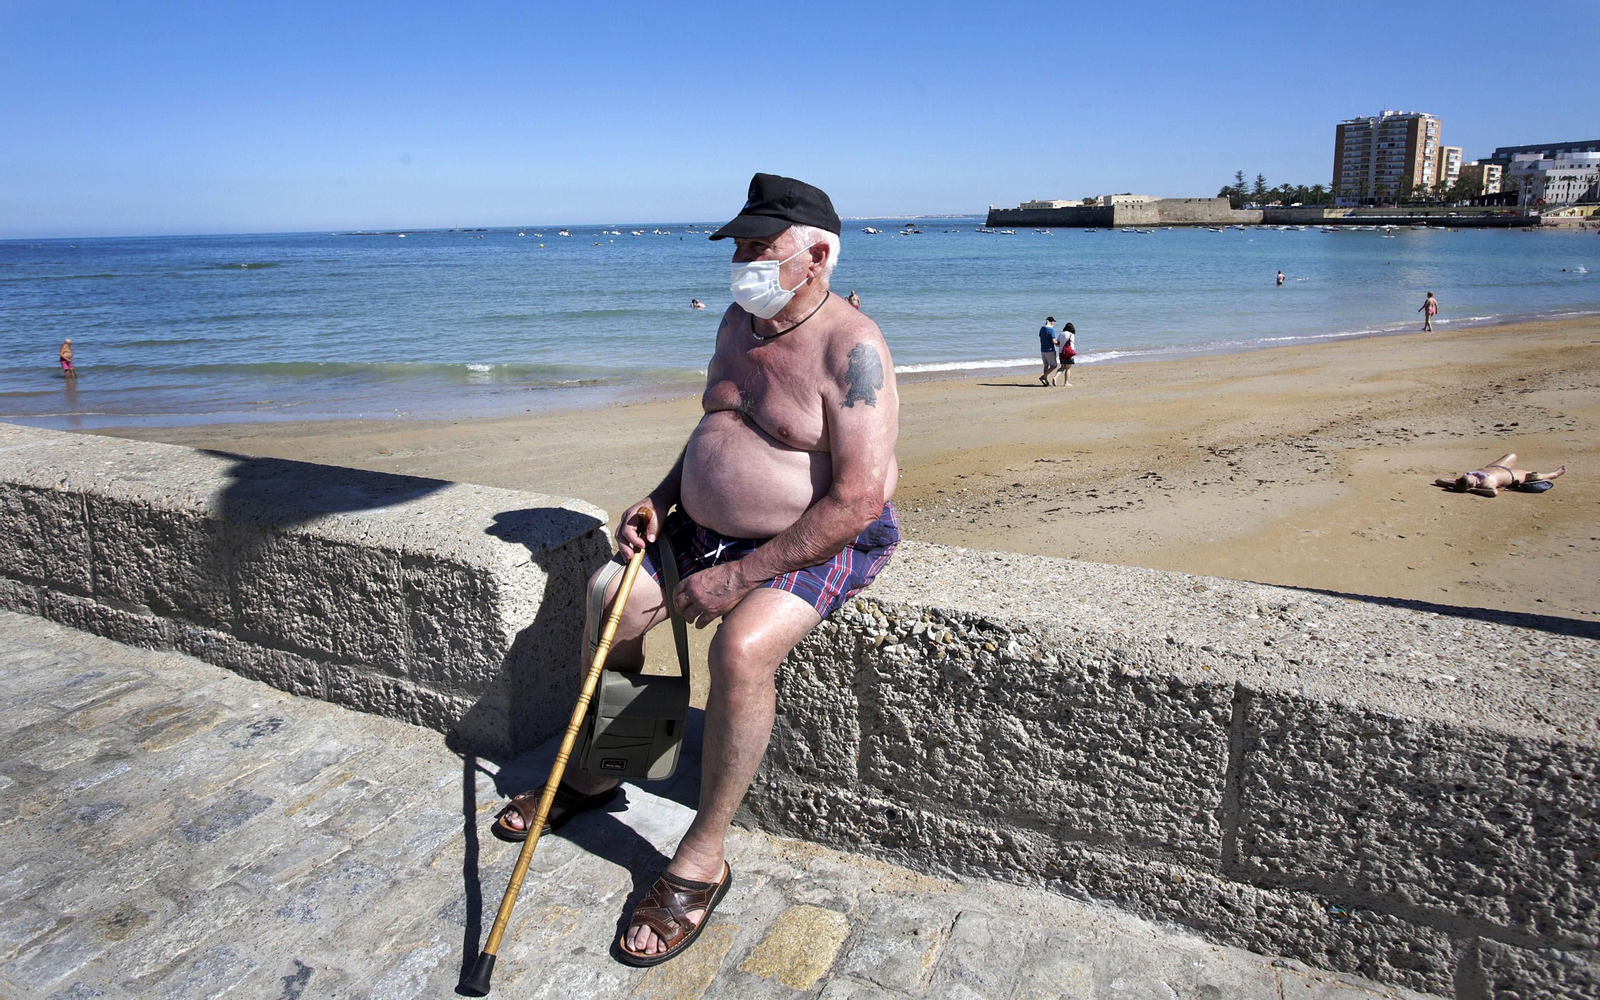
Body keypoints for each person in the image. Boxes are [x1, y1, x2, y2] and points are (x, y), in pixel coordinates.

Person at [493, 173, 900, 966]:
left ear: (815, 255)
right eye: (739, 245)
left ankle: (702, 857)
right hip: (700, 526)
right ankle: (606, 771)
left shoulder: (854, 349)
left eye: (760, 247)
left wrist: (743, 578)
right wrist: (661, 495)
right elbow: (717, 424)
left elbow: (854, 502)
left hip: (812, 539)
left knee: (740, 652)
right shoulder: (738, 320)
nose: (742, 260)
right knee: (613, 593)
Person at [1434, 453, 1565, 497]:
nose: (1470, 475)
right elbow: (1493, 493)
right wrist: (1472, 490)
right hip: (1512, 476)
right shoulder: (1486, 483)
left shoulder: (1463, 480)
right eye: (1471, 478)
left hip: (1495, 467)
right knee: (1534, 475)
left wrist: (1454, 483)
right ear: (1474, 483)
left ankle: (1552, 474)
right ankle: (1554, 474)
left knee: (1512, 455)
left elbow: (1439, 480)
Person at [1038, 316, 1059, 386]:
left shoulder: (1042, 328)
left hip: (1042, 349)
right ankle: (1044, 376)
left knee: (1046, 365)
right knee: (1054, 365)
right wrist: (1058, 343)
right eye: (1053, 322)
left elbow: (1040, 336)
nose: (1054, 324)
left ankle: (1046, 381)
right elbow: (1053, 341)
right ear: (1051, 322)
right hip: (1049, 350)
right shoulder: (1051, 330)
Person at [1056, 322, 1078, 386]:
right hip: (1068, 353)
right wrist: (1072, 354)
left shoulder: (1061, 334)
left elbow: (1058, 344)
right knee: (1068, 368)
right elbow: (1072, 345)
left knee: (1062, 367)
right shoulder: (1071, 334)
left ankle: (1055, 377)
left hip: (1061, 353)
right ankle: (1066, 383)